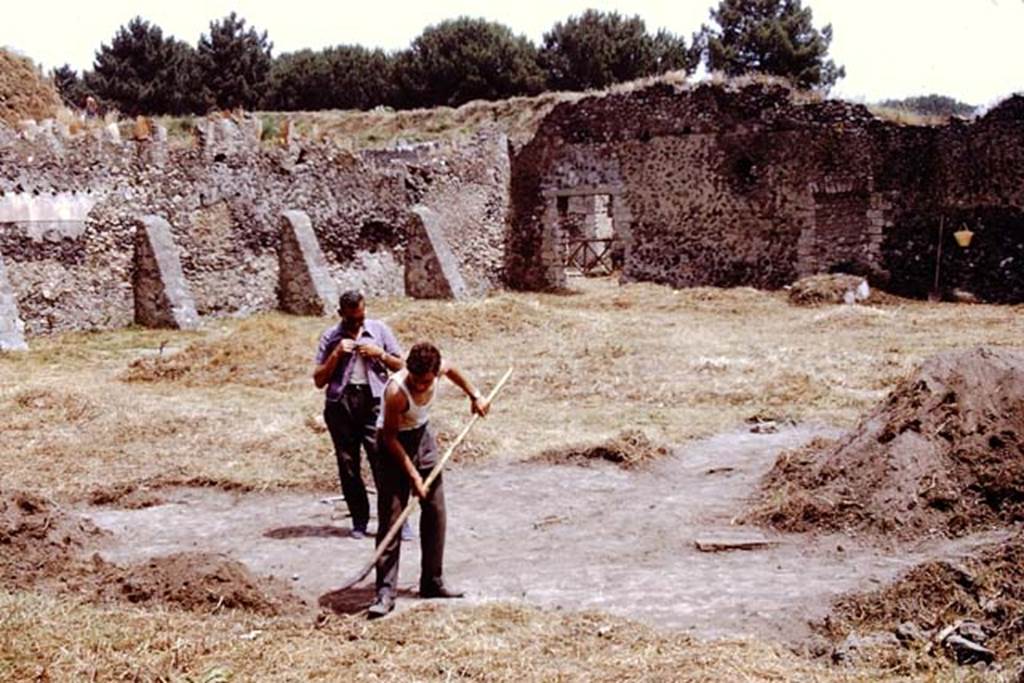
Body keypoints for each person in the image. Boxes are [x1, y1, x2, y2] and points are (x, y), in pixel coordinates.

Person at [368, 342, 490, 619]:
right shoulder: (396, 392)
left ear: (435, 374)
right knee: (392, 517)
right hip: (392, 446)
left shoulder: (439, 369)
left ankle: (432, 582)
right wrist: (412, 475)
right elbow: (388, 438)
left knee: (435, 511)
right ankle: (385, 592)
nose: (422, 386)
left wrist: (476, 396)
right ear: (409, 370)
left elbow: (453, 370)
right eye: (417, 380)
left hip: (422, 438)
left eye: (427, 381)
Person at [313, 290, 403, 539]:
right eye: (351, 319)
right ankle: (359, 520)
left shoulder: (379, 330)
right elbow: (319, 380)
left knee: (382, 461)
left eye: (361, 317)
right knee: (348, 465)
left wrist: (380, 355)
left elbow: (402, 365)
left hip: (374, 401)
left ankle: (395, 520)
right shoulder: (330, 337)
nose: (357, 323)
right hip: (341, 404)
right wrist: (335, 355)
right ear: (341, 314)